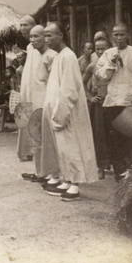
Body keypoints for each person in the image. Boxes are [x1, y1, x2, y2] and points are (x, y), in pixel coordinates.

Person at [42, 22, 98, 201]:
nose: (47, 39)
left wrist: (62, 112)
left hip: (68, 111)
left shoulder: (69, 57)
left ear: (61, 36)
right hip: (59, 110)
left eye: (50, 35)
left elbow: (69, 88)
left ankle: (75, 184)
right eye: (45, 35)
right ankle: (67, 179)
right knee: (64, 148)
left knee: (73, 146)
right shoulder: (59, 57)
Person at [96, 22, 132, 180]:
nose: (118, 38)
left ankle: (131, 175)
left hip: (129, 105)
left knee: (131, 143)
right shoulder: (107, 54)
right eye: (115, 34)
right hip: (111, 104)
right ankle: (120, 176)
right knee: (114, 143)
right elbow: (101, 77)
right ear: (112, 36)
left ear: (128, 35)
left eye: (121, 34)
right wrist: (111, 63)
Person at [18, 25, 58, 183]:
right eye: (31, 37)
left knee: (48, 141)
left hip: (46, 103)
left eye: (37, 36)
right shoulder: (34, 53)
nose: (32, 39)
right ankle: (41, 172)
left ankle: (52, 174)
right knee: (36, 140)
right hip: (34, 102)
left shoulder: (52, 56)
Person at [83, 36, 111, 179]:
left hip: (113, 103)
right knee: (100, 135)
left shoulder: (115, 64)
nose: (100, 51)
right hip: (99, 104)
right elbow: (82, 82)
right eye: (97, 48)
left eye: (103, 48)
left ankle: (118, 166)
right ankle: (100, 167)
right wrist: (90, 97)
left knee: (114, 134)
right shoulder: (92, 66)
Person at [16, 15, 37, 160]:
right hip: (27, 88)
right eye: (21, 25)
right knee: (26, 118)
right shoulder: (29, 47)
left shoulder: (39, 46)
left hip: (35, 88)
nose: (22, 28)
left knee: (34, 118)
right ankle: (28, 150)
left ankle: (34, 150)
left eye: (26, 25)